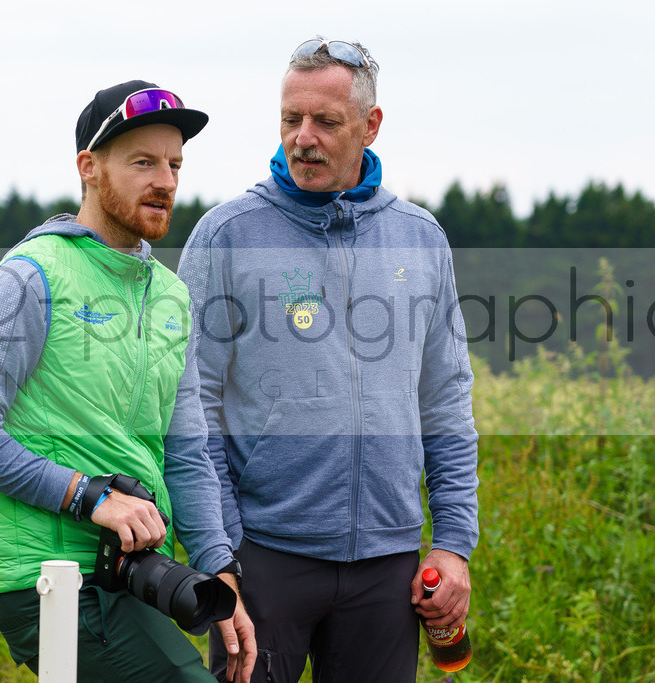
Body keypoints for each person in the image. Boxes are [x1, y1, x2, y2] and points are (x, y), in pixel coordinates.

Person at [176, 39, 479, 682]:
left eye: (325, 123)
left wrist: (452, 544)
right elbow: (191, 404)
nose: (303, 138)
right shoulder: (227, 235)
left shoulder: (421, 239)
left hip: (388, 566)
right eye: (291, 120)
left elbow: (446, 400)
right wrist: (220, 549)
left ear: (370, 126)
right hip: (264, 562)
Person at [0, 80, 255, 682]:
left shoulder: (172, 296)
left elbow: (185, 452)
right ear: (89, 167)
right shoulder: (31, 278)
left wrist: (219, 569)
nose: (165, 180)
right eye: (142, 162)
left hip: (133, 573)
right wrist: (92, 496)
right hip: (47, 580)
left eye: (175, 164)